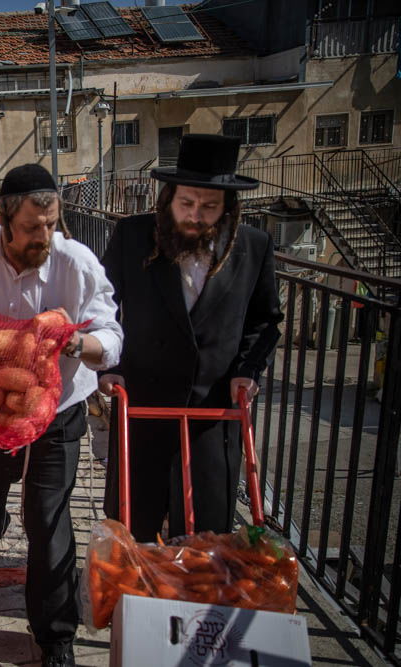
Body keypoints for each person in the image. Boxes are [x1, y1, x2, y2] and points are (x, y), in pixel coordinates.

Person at [0, 164, 123, 667]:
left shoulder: (76, 263)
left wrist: (82, 342)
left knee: (49, 520)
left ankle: (55, 634)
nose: (44, 236)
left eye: (51, 224)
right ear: (1, 217)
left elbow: (112, 336)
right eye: (33, 226)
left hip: (56, 412)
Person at [98, 134, 284, 543]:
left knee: (205, 532)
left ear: (228, 207)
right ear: (169, 199)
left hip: (211, 411)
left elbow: (265, 320)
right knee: (133, 523)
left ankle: (192, 602)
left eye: (209, 206)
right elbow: (101, 304)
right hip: (142, 400)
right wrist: (110, 366)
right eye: (186, 203)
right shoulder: (133, 236)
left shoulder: (254, 247)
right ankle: (131, 598)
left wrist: (248, 370)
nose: (196, 215)